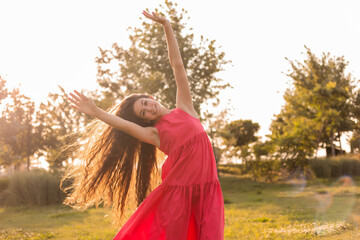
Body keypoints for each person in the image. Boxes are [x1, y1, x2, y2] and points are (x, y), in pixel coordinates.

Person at [65, 10, 224, 240]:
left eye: (146, 103)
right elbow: (126, 127)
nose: (150, 109)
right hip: (177, 200)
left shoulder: (185, 108)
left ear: (150, 97)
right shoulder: (155, 134)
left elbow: (177, 65)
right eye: (144, 112)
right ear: (145, 120)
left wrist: (166, 26)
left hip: (209, 192)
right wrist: (96, 111)